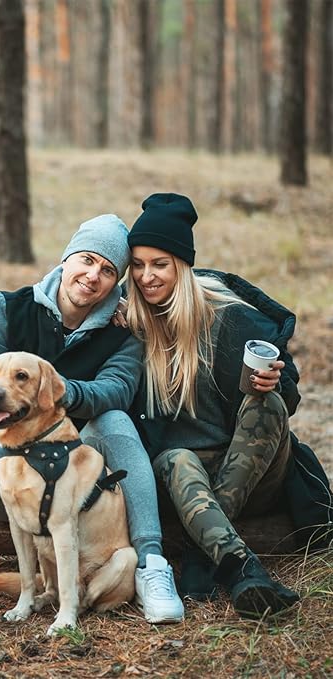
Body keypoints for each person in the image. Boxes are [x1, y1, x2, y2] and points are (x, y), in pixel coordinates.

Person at [0, 214, 184, 648]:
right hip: (17, 485)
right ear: (66, 259)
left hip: (83, 491)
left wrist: (50, 391)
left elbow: (115, 391)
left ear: (117, 283)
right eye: (86, 260)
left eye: (108, 270)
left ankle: (151, 566)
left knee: (116, 421)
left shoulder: (123, 333)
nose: (92, 276)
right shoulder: (9, 308)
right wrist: (27, 427)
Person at [125, 193, 332, 619]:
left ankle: (204, 556)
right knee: (177, 457)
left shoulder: (227, 315)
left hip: (252, 474)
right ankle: (242, 570)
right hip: (183, 484)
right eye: (139, 265)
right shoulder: (129, 326)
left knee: (267, 403)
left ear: (182, 265)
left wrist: (276, 381)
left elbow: (287, 389)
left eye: (159, 264)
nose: (147, 276)